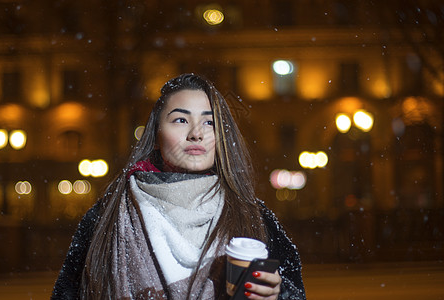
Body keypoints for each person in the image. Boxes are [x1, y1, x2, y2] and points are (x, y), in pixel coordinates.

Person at [51, 73, 306, 300]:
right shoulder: (107, 216)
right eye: (181, 120)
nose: (197, 134)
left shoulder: (254, 218)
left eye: (209, 122)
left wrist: (279, 294)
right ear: (155, 137)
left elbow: (294, 291)